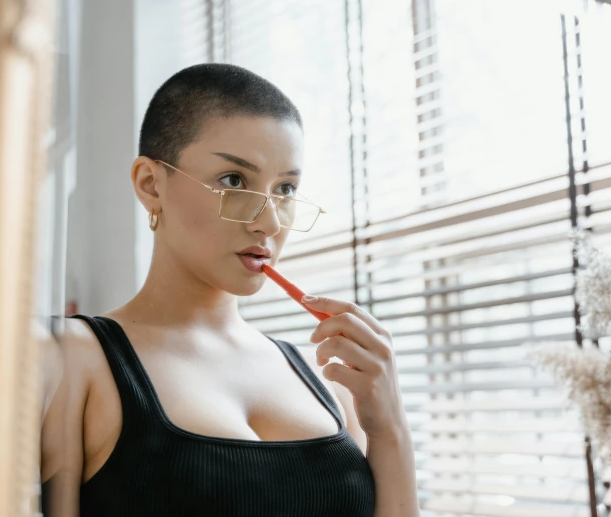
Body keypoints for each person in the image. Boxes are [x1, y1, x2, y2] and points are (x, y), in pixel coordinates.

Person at [40, 63, 419, 517]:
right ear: (150, 184)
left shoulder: (331, 385)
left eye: (285, 189)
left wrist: (391, 428)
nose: (270, 222)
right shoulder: (68, 358)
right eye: (234, 181)